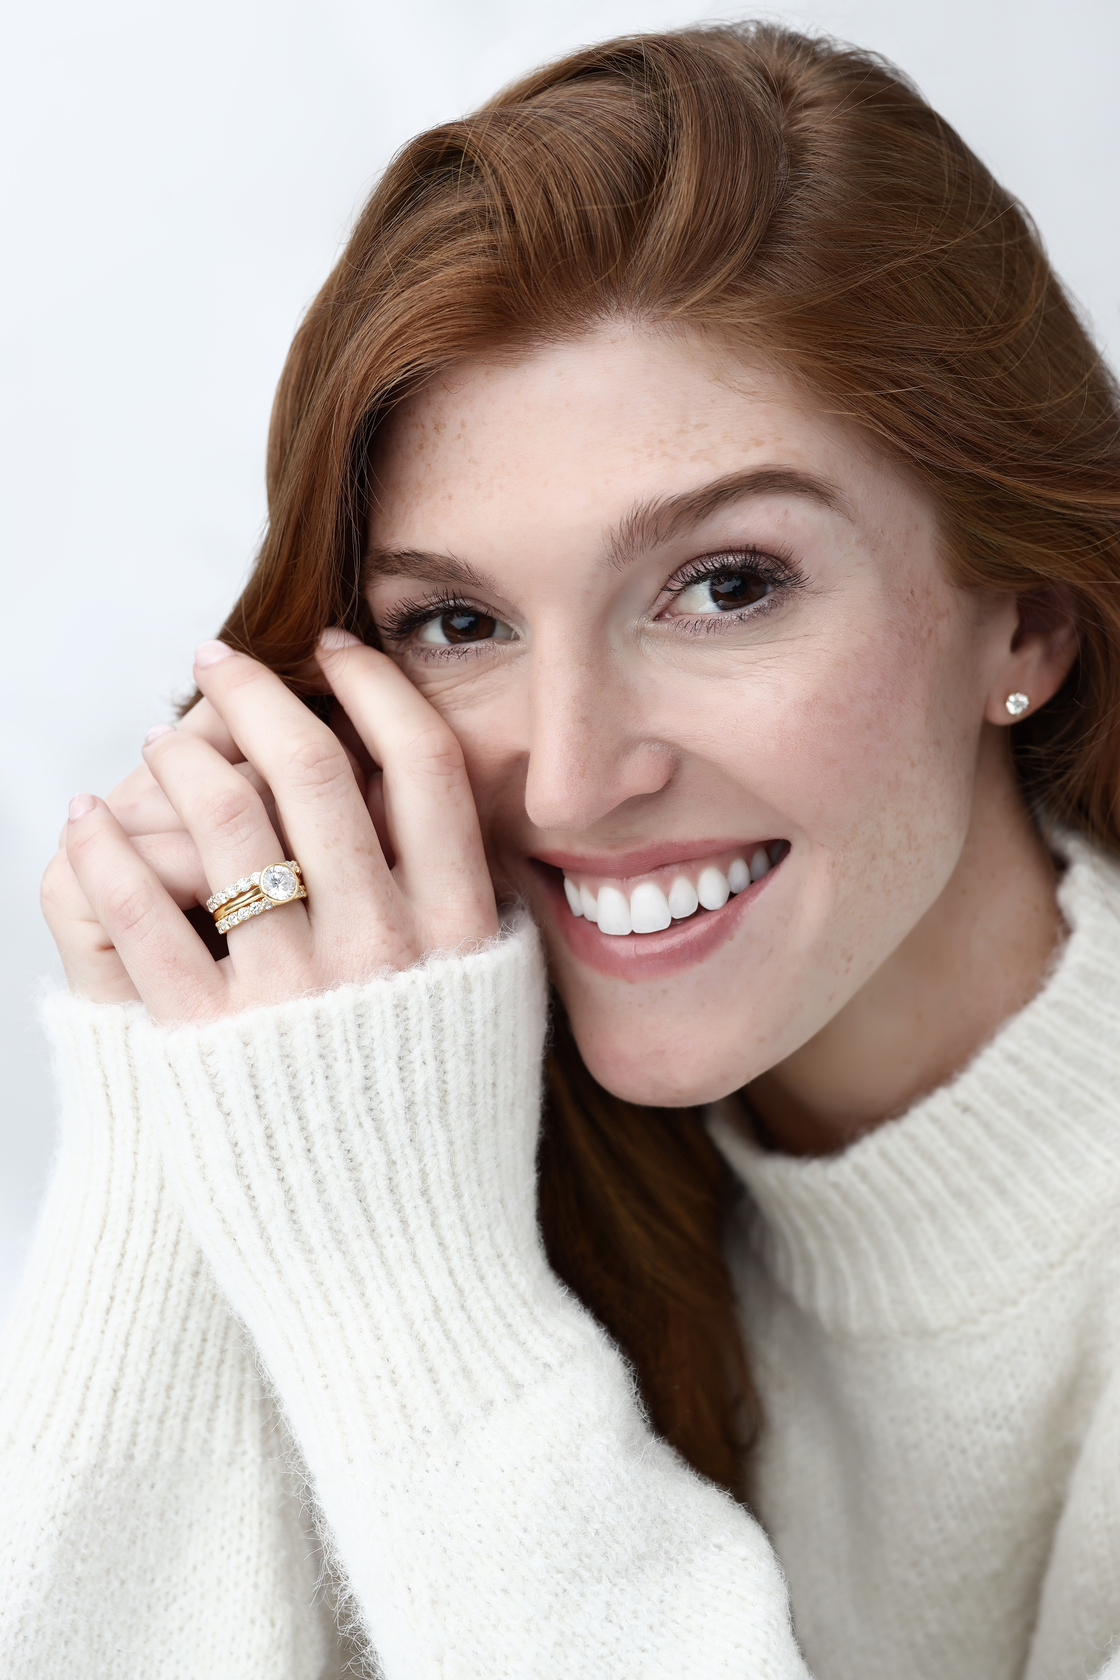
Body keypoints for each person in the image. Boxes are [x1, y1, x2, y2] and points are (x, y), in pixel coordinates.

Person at [4, 20, 1120, 1679]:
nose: (578, 780)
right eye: (458, 621)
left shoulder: (412, 1228)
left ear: (1020, 617)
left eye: (727, 585)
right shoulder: (416, 1115)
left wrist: (412, 1295)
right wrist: (197, 1085)